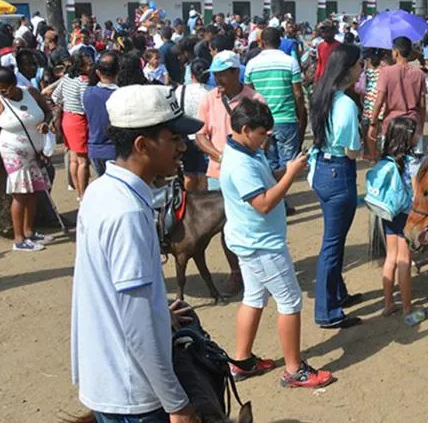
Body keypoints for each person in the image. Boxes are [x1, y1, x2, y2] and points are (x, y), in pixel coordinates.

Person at [70, 84, 203, 423]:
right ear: (142, 145)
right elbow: (137, 323)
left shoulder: (101, 191)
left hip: (108, 378)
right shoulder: (127, 213)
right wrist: (177, 404)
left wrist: (160, 314)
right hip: (136, 394)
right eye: (173, 138)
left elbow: (118, 295)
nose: (182, 146)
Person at [218, 98, 333, 387]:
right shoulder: (241, 162)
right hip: (261, 244)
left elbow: (268, 181)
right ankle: (295, 370)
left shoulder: (246, 150)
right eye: (262, 133)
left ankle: (242, 361)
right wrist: (292, 175)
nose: (266, 138)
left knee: (254, 297)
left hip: (249, 239)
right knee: (290, 300)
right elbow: (264, 203)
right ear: (245, 129)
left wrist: (290, 168)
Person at [308, 44, 365, 329]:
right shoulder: (345, 104)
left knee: (336, 239)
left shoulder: (322, 93)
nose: (361, 70)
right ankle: (327, 311)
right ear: (349, 68)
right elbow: (352, 149)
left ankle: (337, 294)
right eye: (360, 65)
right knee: (332, 244)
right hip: (339, 170)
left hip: (322, 168)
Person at [0, 68, 53, 252]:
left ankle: (29, 231)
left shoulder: (30, 92)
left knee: (33, 191)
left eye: (6, 89)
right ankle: (19, 239)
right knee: (20, 193)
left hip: (36, 150)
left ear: (14, 84)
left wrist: (46, 123)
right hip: (14, 153)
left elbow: (48, 112)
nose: (3, 93)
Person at [376, 117, 428, 326]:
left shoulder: (386, 158)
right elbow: (417, 195)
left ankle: (388, 303)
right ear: (408, 137)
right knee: (405, 260)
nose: (418, 136)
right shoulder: (412, 163)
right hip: (406, 215)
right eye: (415, 133)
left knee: (391, 258)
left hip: (389, 212)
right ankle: (407, 307)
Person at [195, 50, 266, 193]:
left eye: (221, 74)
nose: (217, 79)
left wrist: (247, 158)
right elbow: (200, 135)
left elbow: (265, 136)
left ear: (235, 73)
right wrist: (220, 157)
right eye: (215, 74)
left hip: (249, 172)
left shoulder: (255, 99)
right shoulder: (208, 99)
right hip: (217, 173)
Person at [245, 27, 307, 176]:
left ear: (261, 43)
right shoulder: (290, 62)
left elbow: (249, 95)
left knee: (269, 163)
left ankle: (275, 196)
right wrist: (301, 116)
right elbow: (298, 94)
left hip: (262, 122)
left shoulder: (252, 64)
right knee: (288, 166)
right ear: (279, 41)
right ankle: (281, 196)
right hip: (286, 119)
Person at [367, 37, 426, 149]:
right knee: (413, 162)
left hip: (392, 123)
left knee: (390, 160)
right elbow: (422, 105)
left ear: (396, 52)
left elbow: (379, 101)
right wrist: (420, 127)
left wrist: (373, 124)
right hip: (412, 122)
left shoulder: (386, 72)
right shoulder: (419, 74)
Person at [52, 51, 93, 200]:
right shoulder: (83, 80)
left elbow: (55, 95)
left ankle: (79, 193)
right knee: (83, 161)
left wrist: (65, 104)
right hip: (79, 121)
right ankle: (83, 194)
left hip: (67, 119)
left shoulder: (66, 78)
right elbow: (85, 102)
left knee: (74, 157)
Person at [175, 59, 213, 191]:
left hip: (186, 136)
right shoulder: (212, 92)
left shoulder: (181, 90)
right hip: (206, 137)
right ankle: (203, 202)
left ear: (191, 75)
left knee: (189, 173)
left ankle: (189, 201)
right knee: (203, 174)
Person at [82, 53, 121, 177]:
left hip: (95, 151)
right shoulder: (121, 95)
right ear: (118, 70)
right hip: (116, 151)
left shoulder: (88, 93)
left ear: (98, 72)